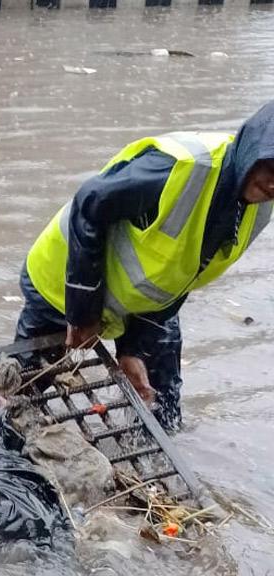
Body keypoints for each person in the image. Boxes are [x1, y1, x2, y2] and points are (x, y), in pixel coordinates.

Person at [17, 100, 274, 431]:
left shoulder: (259, 210)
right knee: (19, 395)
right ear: (253, 148)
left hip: (148, 302)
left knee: (160, 405)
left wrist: (134, 348)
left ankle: (153, 456)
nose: (273, 185)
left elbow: (184, 272)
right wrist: (82, 313)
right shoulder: (178, 169)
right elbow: (90, 203)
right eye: (270, 167)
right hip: (63, 280)